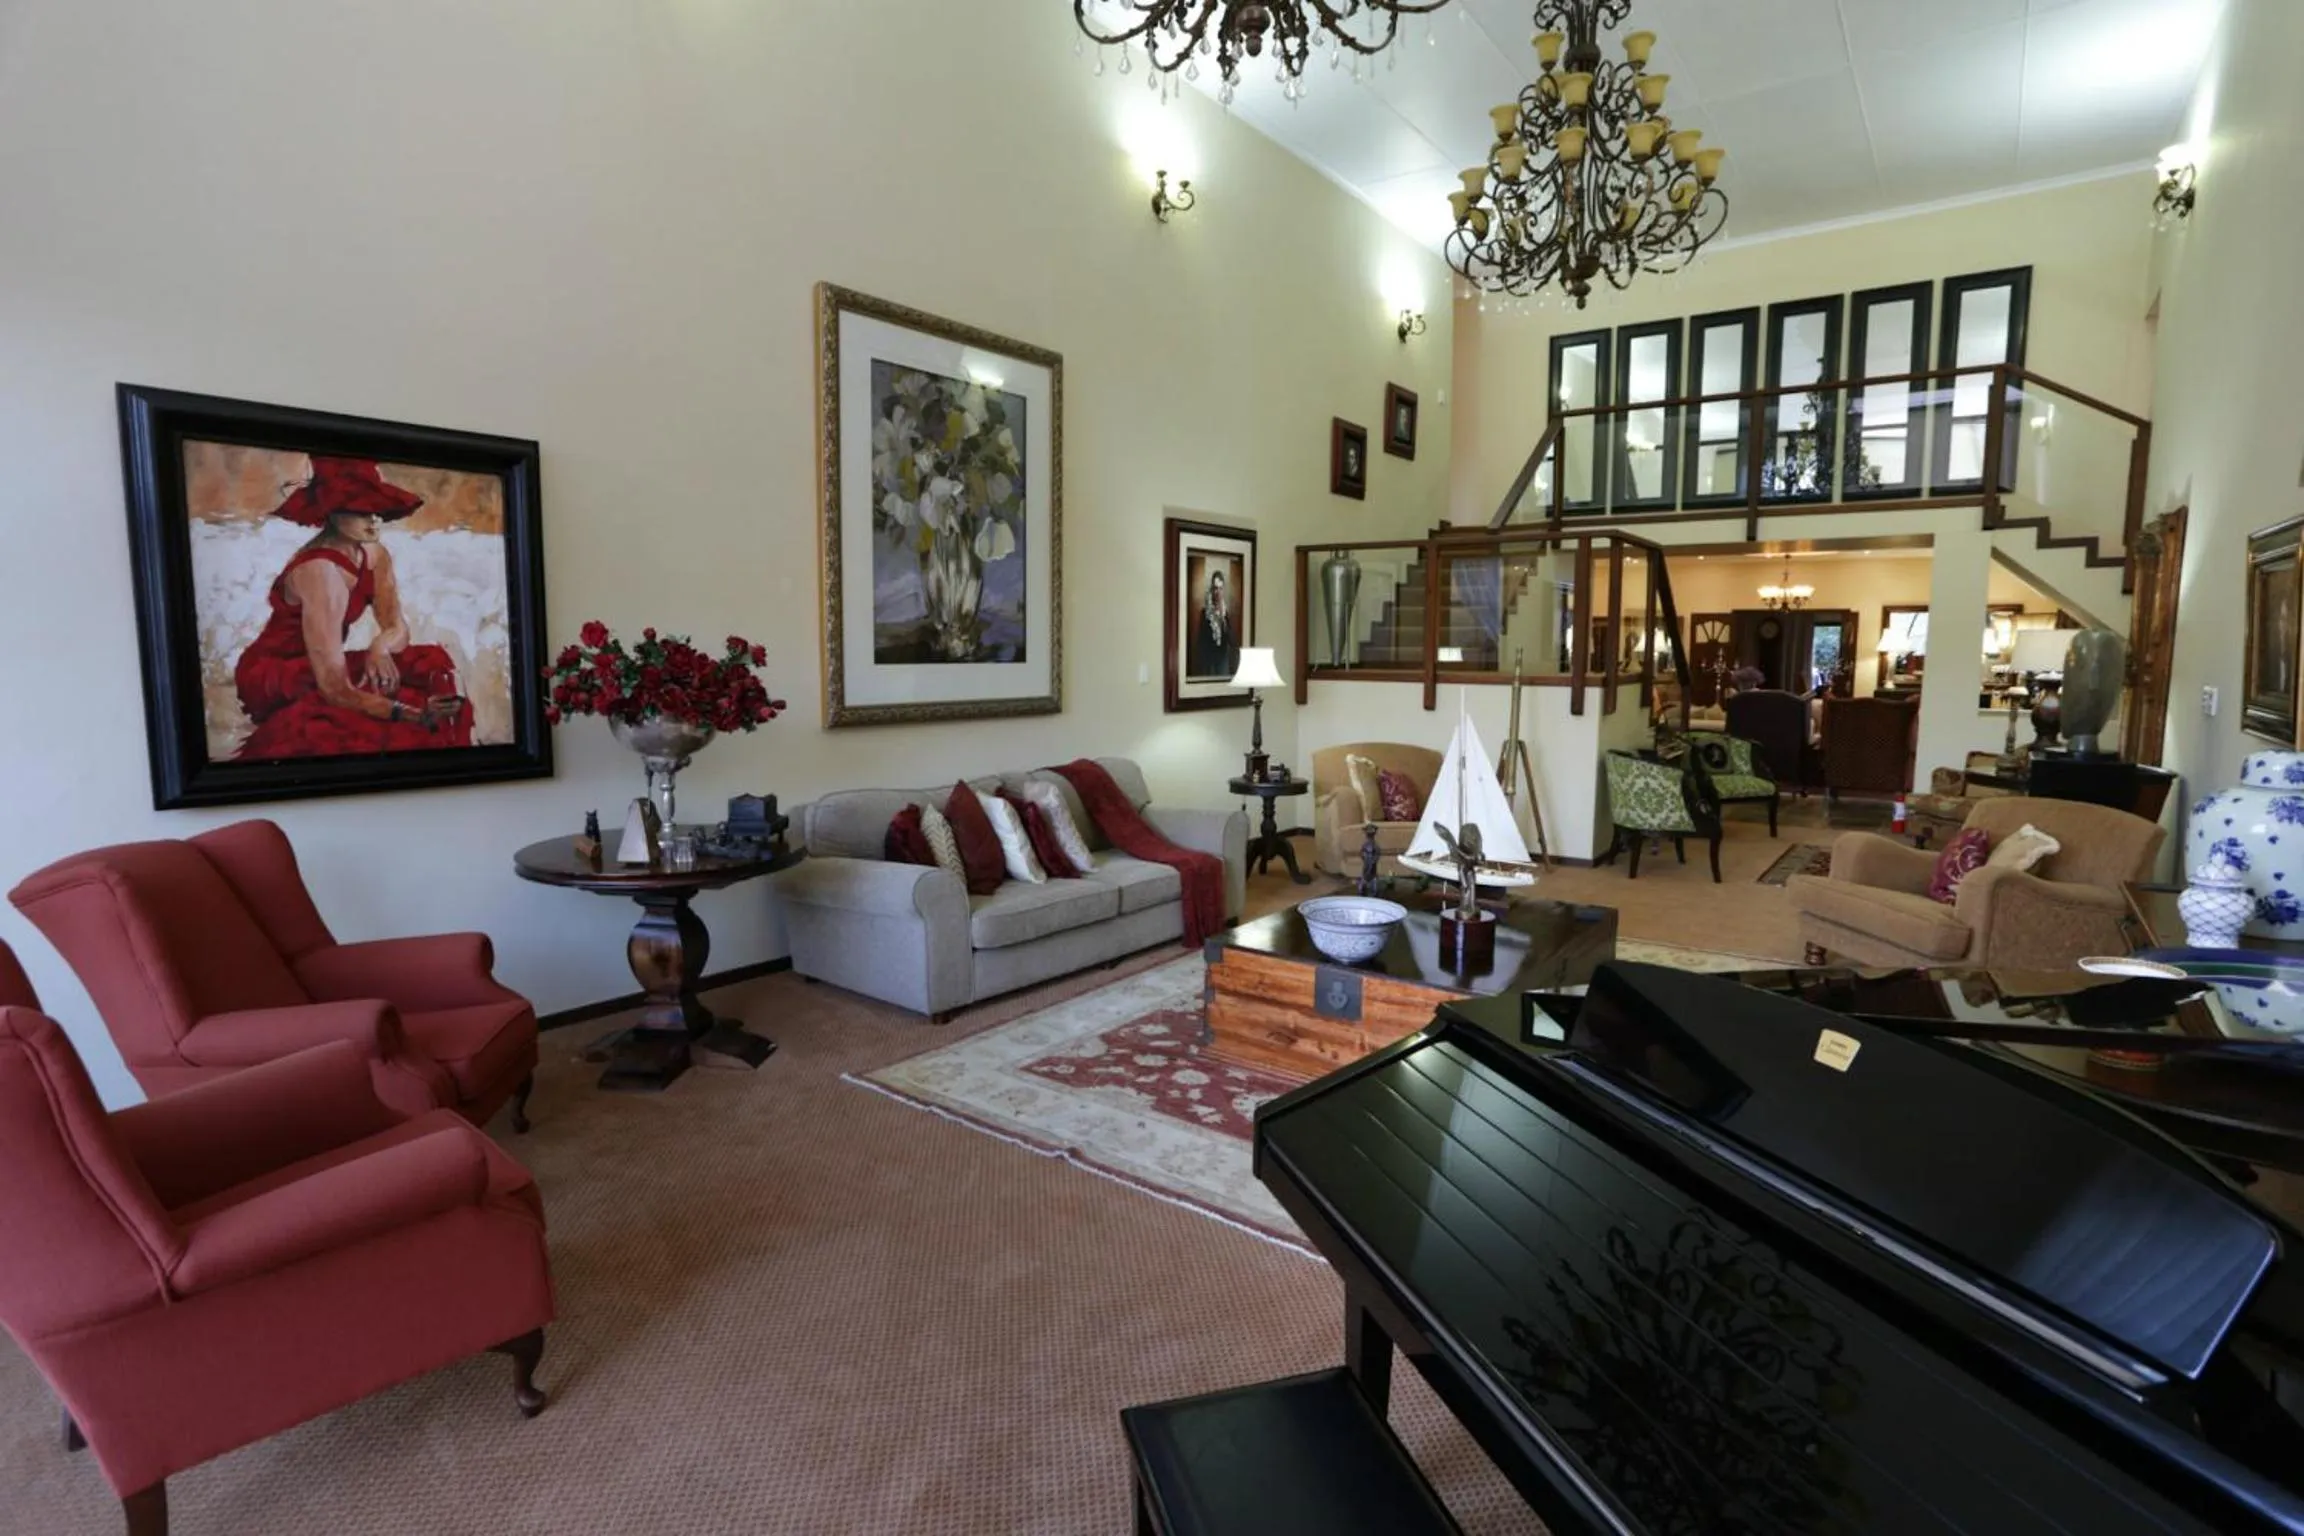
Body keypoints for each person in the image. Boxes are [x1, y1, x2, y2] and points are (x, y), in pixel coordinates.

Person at [231, 456, 472, 759]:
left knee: (431, 661)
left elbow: (397, 627)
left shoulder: (375, 554)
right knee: (380, 711)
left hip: (325, 664)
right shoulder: (320, 571)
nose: (374, 520)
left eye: (377, 510)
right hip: (278, 674)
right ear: (331, 514)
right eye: (361, 511)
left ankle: (456, 759)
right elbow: (335, 688)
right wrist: (414, 714)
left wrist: (380, 647)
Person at [1185, 565, 1241, 681]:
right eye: (1215, 588)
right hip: (1209, 662)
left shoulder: (1226, 613)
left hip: (1223, 661)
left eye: (1220, 588)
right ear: (1212, 589)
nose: (1218, 592)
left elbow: (1232, 641)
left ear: (1223, 590)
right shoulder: (1204, 613)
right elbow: (1200, 642)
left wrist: (1223, 618)